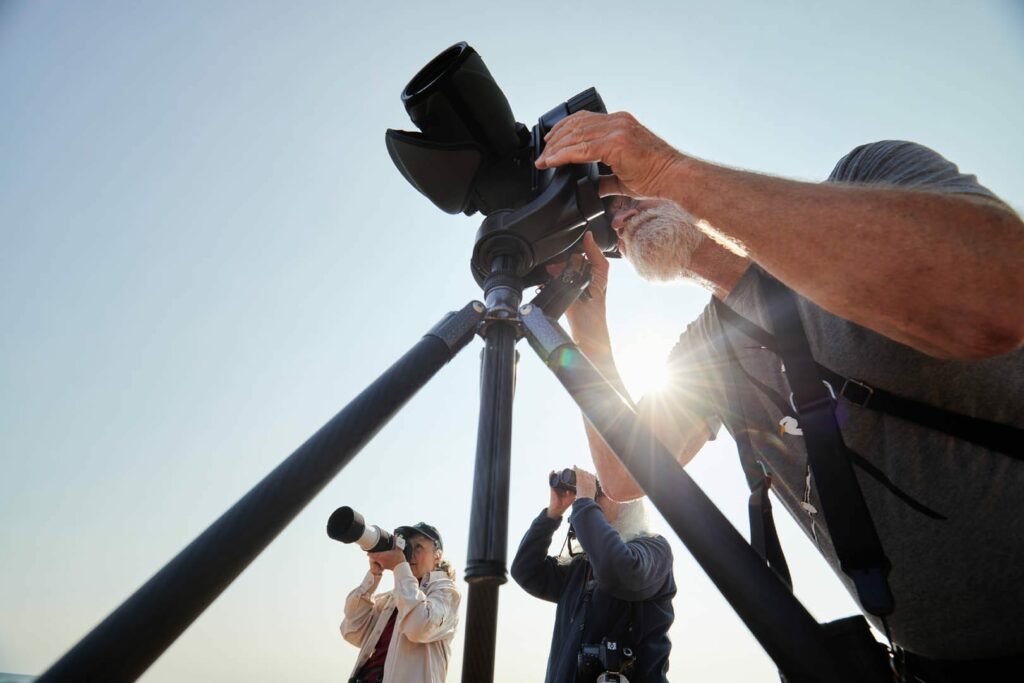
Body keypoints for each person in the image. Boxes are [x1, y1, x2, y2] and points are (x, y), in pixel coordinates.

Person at [534, 111, 1024, 678]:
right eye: (606, 219)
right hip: (933, 664)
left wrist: (671, 171)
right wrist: (587, 320)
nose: (618, 215)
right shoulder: (710, 350)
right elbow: (623, 474)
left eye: (620, 187)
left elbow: (997, 290)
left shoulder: (866, 179)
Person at [511, 467, 676, 683]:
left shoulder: (654, 551)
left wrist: (585, 503)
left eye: (602, 494)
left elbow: (618, 569)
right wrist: (552, 514)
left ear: (629, 504)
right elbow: (526, 571)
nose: (593, 500)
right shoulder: (581, 567)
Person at [340, 522, 460, 683]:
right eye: (408, 547)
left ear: (437, 557)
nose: (410, 554)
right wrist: (374, 575)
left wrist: (399, 566)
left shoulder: (446, 592)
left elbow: (419, 626)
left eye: (418, 547)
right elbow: (352, 631)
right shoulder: (396, 597)